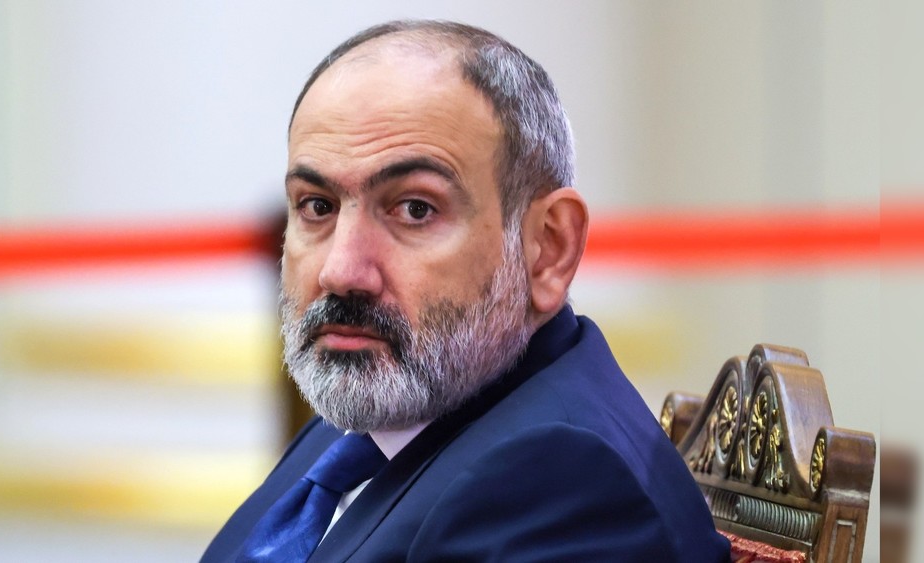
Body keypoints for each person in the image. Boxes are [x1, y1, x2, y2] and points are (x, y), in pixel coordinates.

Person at [202, 20, 729, 562]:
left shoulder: (562, 482)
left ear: (548, 248)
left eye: (415, 209)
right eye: (318, 206)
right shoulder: (367, 425)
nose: (341, 272)